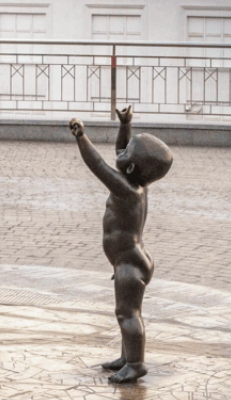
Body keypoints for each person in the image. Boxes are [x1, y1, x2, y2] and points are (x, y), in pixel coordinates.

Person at [68, 105, 173, 383]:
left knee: (127, 314)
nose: (121, 151)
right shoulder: (136, 181)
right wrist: (125, 125)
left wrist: (81, 137)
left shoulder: (125, 189)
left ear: (130, 167)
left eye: (127, 152)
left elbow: (99, 165)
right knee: (127, 313)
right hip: (129, 260)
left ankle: (136, 364)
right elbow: (120, 153)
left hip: (130, 264)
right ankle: (127, 358)